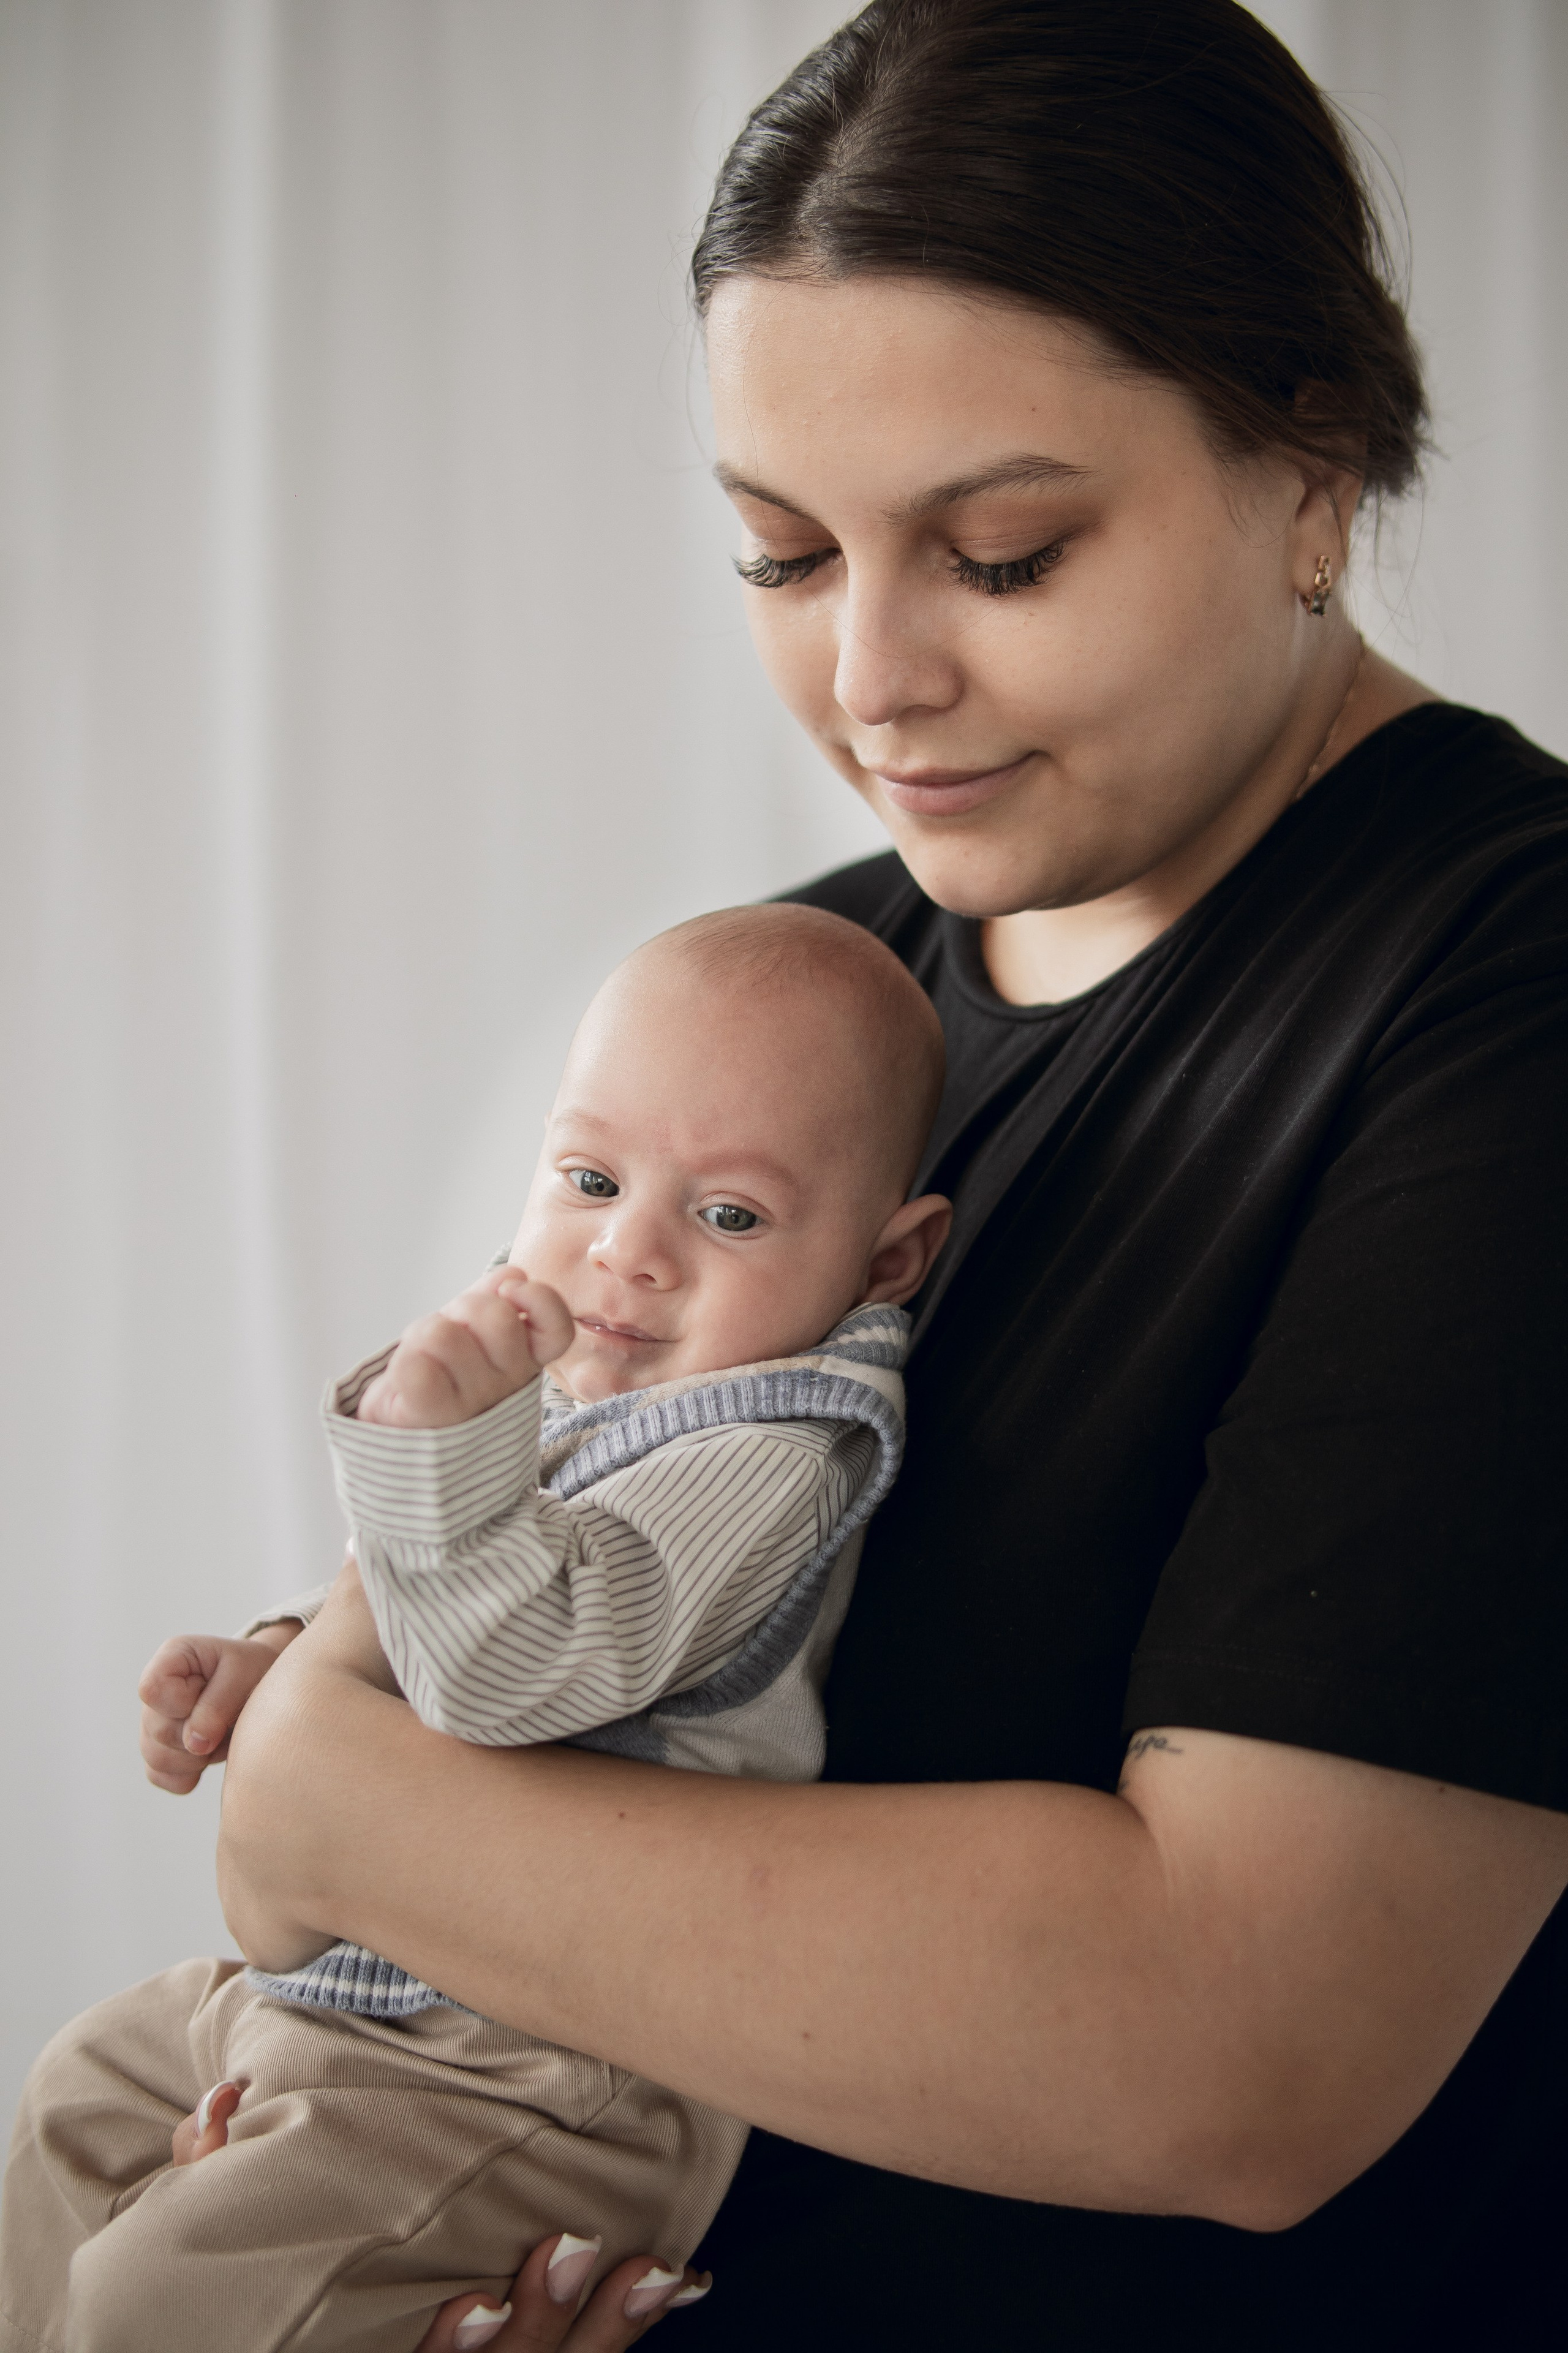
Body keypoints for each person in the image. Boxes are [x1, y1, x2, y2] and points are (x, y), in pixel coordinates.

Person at [32, 0, 1568, 2344]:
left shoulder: (1504, 984)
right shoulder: (823, 1009)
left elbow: (1243, 2047)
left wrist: (341, 1803)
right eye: (779, 557)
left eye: (1007, 552)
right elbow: (481, 1667)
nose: (874, 681)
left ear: (1318, 472)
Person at [0, 908, 951, 2352]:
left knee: (155, 2305)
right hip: (354, 1997)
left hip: (528, 2069)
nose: (627, 1252)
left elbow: (512, 1672)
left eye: (730, 1215)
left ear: (886, 1264)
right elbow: (413, 1621)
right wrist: (278, 1660)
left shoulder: (765, 1450)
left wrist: (433, 1452)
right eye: (589, 1178)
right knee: (84, 2092)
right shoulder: (613, 1390)